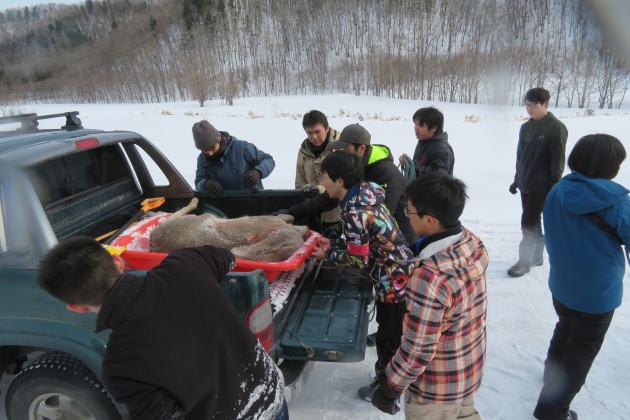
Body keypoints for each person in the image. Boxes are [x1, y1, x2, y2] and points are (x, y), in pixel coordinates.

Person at [37, 237, 288, 420]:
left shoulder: (120, 366)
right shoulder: (186, 265)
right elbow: (226, 256)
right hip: (272, 395)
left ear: (75, 307)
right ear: (119, 262)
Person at [371, 171, 489, 419]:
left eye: (410, 212)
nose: (407, 216)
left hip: (435, 388)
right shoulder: (471, 241)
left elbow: (418, 348)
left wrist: (390, 387)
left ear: (430, 220)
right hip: (466, 368)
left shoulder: (430, 276)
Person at [533, 134, 629, 420]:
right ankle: (551, 410)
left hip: (562, 285)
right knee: (582, 350)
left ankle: (552, 376)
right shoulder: (616, 203)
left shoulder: (559, 190)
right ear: (609, 166)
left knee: (565, 327)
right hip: (597, 294)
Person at [310, 150, 413, 403]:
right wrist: (334, 244)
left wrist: (329, 256)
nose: (323, 183)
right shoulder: (366, 193)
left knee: (390, 335)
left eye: (324, 177)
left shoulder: (354, 212)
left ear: (340, 181)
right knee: (393, 328)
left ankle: (387, 384)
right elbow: (362, 242)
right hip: (400, 267)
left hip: (392, 279)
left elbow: (358, 259)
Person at [286, 123, 416, 244]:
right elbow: (329, 197)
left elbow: (382, 214)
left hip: (399, 238)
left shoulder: (386, 172)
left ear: (361, 149)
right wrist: (292, 212)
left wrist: (341, 226)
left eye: (346, 148)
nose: (342, 152)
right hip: (370, 239)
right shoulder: (352, 166)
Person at [508, 87, 568, 277]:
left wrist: (553, 187)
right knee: (534, 220)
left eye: (534, 104)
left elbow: (557, 161)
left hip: (541, 185)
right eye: (527, 104)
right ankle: (537, 256)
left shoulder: (556, 128)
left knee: (527, 222)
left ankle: (524, 260)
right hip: (526, 182)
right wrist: (516, 180)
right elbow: (520, 157)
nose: (529, 108)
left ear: (546, 104)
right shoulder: (526, 127)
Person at [193, 120, 275, 195]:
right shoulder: (202, 159)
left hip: (252, 199)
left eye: (212, 148)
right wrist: (205, 184)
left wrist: (258, 172)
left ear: (219, 139)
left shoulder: (242, 148)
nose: (210, 153)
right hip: (223, 206)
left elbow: (268, 160)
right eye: (205, 150)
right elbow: (199, 181)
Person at [294, 110, 341, 230]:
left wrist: (317, 189)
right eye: (309, 133)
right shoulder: (303, 151)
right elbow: (300, 181)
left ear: (327, 129)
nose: (314, 137)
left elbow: (341, 182)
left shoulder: (340, 148)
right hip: (313, 213)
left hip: (337, 214)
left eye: (317, 132)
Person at [399, 106, 454, 177]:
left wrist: (412, 166)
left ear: (434, 127)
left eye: (421, 125)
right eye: (415, 124)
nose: (416, 129)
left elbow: (435, 178)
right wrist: (408, 164)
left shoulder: (442, 150)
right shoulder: (423, 142)